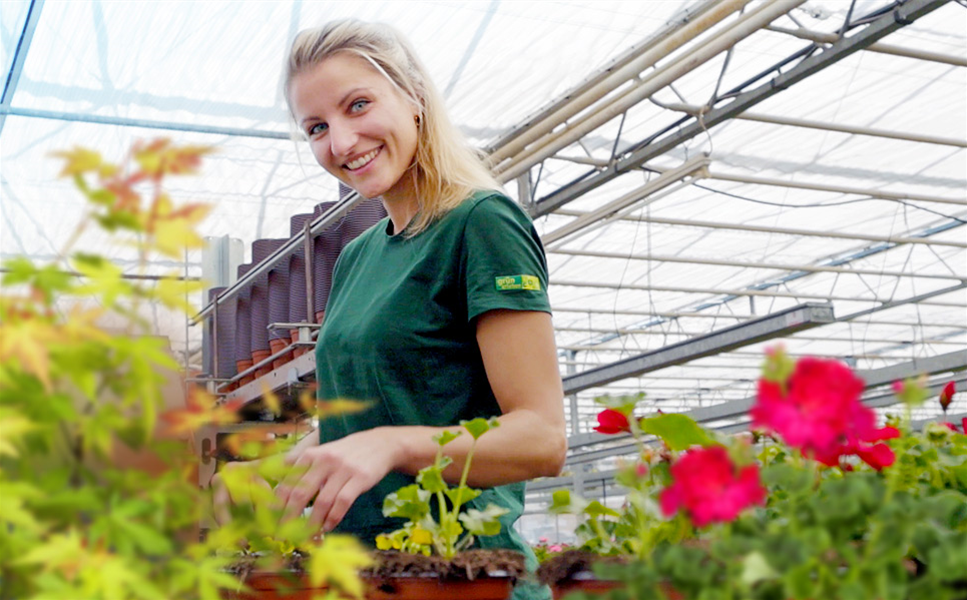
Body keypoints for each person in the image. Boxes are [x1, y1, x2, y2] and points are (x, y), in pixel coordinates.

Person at [216, 18, 566, 600]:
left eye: (358, 105)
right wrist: (281, 466)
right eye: (317, 127)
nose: (341, 142)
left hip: (464, 581)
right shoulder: (357, 257)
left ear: (414, 96)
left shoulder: (481, 223)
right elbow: (368, 421)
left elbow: (543, 438)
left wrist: (394, 445)